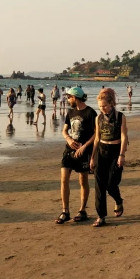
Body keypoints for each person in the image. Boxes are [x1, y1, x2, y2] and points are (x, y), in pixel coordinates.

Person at [56, 87, 97, 224]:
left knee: (83, 180)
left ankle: (82, 210)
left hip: (83, 152)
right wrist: (68, 139)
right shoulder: (70, 112)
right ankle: (65, 211)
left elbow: (96, 133)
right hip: (69, 150)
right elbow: (64, 130)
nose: (67, 100)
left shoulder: (90, 113)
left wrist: (85, 147)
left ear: (75, 97)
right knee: (64, 179)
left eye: (69, 97)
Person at [89, 88, 128, 227]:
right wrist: (92, 157)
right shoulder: (98, 118)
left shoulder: (120, 116)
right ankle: (101, 216)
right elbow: (96, 139)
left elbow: (124, 137)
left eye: (104, 106)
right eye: (100, 106)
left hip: (115, 151)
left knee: (111, 183)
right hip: (101, 151)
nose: (102, 109)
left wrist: (122, 154)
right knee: (99, 185)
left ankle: (118, 201)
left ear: (111, 103)